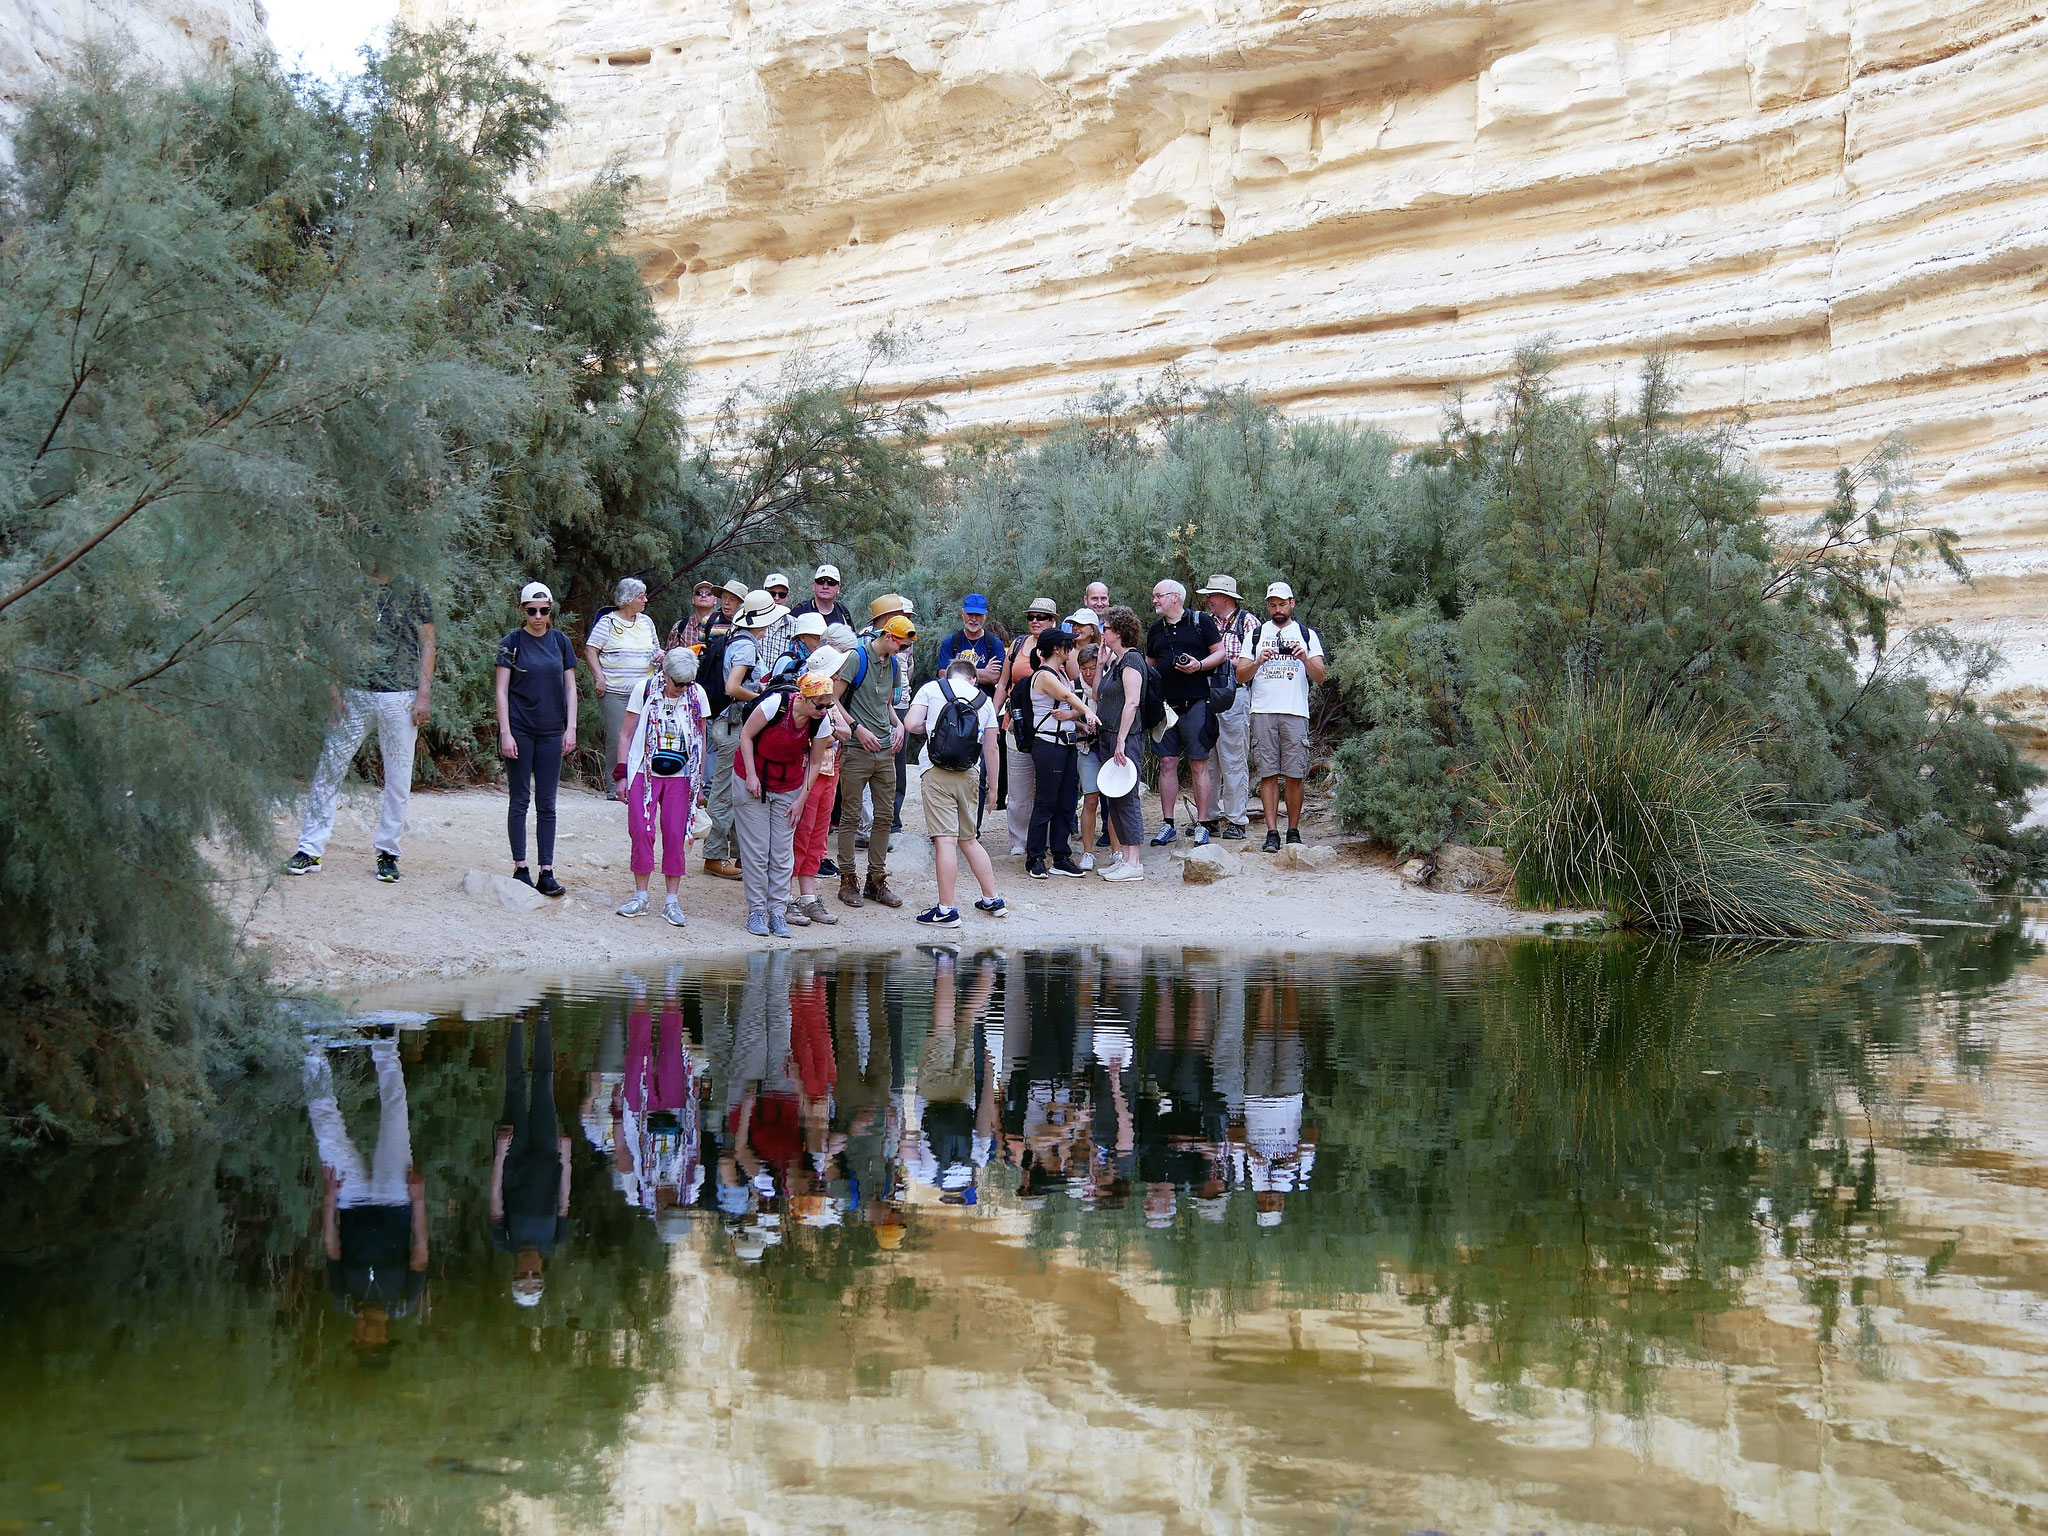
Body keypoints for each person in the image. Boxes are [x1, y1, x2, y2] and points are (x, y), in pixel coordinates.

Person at [288, 568, 435, 882]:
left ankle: (388, 853)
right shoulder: (351, 590)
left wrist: (423, 694)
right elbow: (335, 643)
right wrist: (332, 689)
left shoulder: (413, 590)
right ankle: (310, 849)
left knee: (397, 778)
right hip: (353, 694)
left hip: (401, 696)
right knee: (330, 768)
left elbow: (427, 644)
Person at [307, 1034, 427, 1354]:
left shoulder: (344, 1298)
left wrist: (329, 1198)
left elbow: (332, 1246)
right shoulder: (404, 1301)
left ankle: (312, 1052)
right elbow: (420, 1250)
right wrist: (418, 1199)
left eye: (356, 1341)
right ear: (384, 1339)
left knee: (325, 1130)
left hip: (351, 1201)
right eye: (367, 1341)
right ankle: (385, 1042)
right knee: (395, 1117)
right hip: (396, 1198)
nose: (359, 1335)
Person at [904, 656, 1009, 925]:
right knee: (969, 839)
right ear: (973, 679)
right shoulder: (983, 700)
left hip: (936, 771)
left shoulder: (931, 688)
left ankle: (946, 909)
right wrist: (994, 786)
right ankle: (992, 899)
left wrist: (931, 729)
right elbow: (991, 747)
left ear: (948, 674)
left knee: (945, 841)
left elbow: (911, 724)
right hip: (969, 773)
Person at [735, 671, 837, 936]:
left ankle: (778, 912)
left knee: (782, 853)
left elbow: (815, 762)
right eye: (819, 704)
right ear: (803, 698)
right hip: (753, 776)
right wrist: (751, 776)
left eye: (828, 705)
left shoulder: (821, 721)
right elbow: (746, 737)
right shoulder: (775, 705)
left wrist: (802, 799)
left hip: (789, 783)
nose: (824, 710)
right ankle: (756, 911)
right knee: (757, 850)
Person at [495, 581, 578, 896]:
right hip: (519, 728)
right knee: (519, 799)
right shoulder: (511, 642)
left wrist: (571, 727)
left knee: (547, 803)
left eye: (544, 610)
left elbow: (570, 686)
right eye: (532, 610)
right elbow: (501, 690)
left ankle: (547, 870)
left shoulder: (560, 642)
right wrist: (505, 731)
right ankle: (520, 867)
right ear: (523, 610)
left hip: (551, 730)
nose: (538, 616)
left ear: (551, 610)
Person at [615, 648, 708, 926]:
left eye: (687, 683)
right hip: (644, 769)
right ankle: (641, 896)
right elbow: (626, 733)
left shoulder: (696, 694)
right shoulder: (644, 689)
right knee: (641, 831)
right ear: (664, 674)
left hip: (681, 775)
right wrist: (621, 774)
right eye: (677, 683)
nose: (682, 688)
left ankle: (671, 901)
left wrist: (699, 783)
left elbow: (701, 741)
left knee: (675, 833)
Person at [703, 589, 787, 881]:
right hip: (732, 724)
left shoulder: (737, 639)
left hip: (728, 722)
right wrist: (759, 698)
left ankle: (738, 855)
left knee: (735, 788)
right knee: (725, 790)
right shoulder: (746, 647)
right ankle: (714, 855)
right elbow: (732, 687)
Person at [491, 1007, 572, 1307]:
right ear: (541, 1274)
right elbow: (563, 1200)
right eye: (533, 1275)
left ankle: (516, 1020)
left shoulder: (504, 1241)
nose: (528, 1269)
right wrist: (567, 1158)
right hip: (548, 1155)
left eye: (522, 1275)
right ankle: (546, 1020)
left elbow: (496, 1201)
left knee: (515, 1087)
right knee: (544, 1084)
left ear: (513, 1274)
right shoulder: (554, 1240)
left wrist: (499, 1155)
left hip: (513, 1156)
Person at [1237, 580, 1327, 851]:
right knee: (1267, 773)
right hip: (1263, 710)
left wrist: (1303, 658)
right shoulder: (1256, 634)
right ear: (1268, 605)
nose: (1277, 609)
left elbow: (1321, 677)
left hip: (1295, 710)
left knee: (1294, 774)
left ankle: (1294, 830)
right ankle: (1272, 832)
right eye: (1272, 605)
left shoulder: (1306, 634)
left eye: (1282, 604)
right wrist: (1258, 661)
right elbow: (1241, 675)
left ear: (1292, 604)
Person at [835, 612, 915, 910]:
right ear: (889, 637)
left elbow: (887, 704)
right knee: (851, 816)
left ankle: (876, 880)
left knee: (884, 816)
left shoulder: (893, 663)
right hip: (857, 748)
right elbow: (832, 698)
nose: (903, 652)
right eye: (902, 645)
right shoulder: (857, 658)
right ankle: (847, 879)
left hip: (884, 749)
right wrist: (856, 728)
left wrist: (898, 725)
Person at [1145, 578, 1225, 847]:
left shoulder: (1201, 622)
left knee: (1198, 764)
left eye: (1158, 596)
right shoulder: (1155, 630)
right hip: (1165, 708)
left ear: (1175, 597)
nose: (1155, 601)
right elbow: (1149, 665)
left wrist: (1199, 665)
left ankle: (1202, 824)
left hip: (1196, 704)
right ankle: (1168, 824)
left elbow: (1220, 654)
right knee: (1167, 764)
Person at [1023, 624, 1096, 880]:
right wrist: (1086, 712)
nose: (1071, 649)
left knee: (1066, 801)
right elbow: (1067, 696)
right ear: (1057, 648)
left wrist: (1076, 716)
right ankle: (1035, 857)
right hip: (1048, 744)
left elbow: (1071, 702)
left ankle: (1061, 856)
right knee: (1046, 801)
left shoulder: (1062, 673)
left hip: (1066, 743)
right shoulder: (1044, 676)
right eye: (1068, 645)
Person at [788, 643, 850, 927]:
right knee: (800, 834)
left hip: (829, 770)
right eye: (836, 670)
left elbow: (844, 732)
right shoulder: (808, 698)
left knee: (817, 836)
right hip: (808, 772)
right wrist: (831, 731)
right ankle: (786, 897)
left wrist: (830, 730)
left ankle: (807, 897)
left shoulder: (826, 701)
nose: (840, 675)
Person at [585, 577, 661, 802]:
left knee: (644, 736)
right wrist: (599, 677)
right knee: (618, 737)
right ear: (628, 600)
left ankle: (640, 783)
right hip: (615, 692)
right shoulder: (608, 623)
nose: (645, 600)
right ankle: (613, 785)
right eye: (641, 597)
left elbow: (656, 648)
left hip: (644, 691)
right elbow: (590, 650)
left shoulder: (646, 622)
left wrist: (659, 655)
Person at [937, 593, 1008, 830]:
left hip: (981, 711)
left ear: (985, 615)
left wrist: (961, 669)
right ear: (963, 614)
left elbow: (996, 676)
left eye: (978, 614)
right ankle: (949, 825)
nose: (974, 618)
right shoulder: (952, 642)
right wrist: (980, 671)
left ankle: (972, 827)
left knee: (978, 772)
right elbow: (942, 675)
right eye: (970, 613)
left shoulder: (993, 643)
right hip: (953, 713)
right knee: (948, 765)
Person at [1198, 574, 1260, 841]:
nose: (1208, 600)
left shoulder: (1249, 623)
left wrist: (1222, 661)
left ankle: (1236, 819)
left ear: (1224, 597)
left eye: (1211, 596)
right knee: (1207, 758)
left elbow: (1254, 663)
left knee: (1233, 758)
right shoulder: (1205, 623)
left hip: (1234, 694)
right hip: (1205, 694)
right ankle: (1209, 817)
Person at [999, 597, 1061, 856]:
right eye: (1031, 617)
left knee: (1046, 784)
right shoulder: (1017, 645)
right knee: (1019, 786)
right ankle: (1018, 840)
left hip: (1048, 724)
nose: (1035, 621)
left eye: (1042, 617)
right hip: (1017, 723)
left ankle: (1043, 837)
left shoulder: (1061, 647)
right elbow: (1003, 684)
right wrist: (992, 718)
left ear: (1053, 620)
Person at [1092, 606, 1149, 880]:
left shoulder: (1132, 661)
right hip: (1109, 736)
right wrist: (1101, 664)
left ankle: (1134, 861)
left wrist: (1122, 741)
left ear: (1118, 631)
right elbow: (1097, 695)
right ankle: (1125, 856)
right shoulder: (1116, 662)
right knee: (1113, 797)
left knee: (1127, 796)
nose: (1102, 632)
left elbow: (1133, 702)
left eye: (1106, 627)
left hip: (1124, 737)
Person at [857, 595, 916, 851]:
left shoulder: (904, 640)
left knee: (895, 768)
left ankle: (889, 822)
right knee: (868, 769)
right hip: (869, 711)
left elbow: (907, 670)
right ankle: (867, 827)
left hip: (896, 707)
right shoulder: (864, 642)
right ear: (885, 618)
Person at [789, 563, 854, 629]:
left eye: (831, 582)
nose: (825, 586)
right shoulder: (801, 610)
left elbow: (852, 638)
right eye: (820, 581)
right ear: (814, 586)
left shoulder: (843, 613)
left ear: (838, 588)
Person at [666, 577, 723, 650]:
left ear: (715, 601)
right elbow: (670, 656)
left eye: (709, 593)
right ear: (693, 600)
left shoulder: (722, 626)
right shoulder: (680, 626)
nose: (703, 595)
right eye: (699, 593)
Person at [756, 573, 795, 675]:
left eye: (782, 594)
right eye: (772, 594)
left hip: (782, 685)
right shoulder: (753, 622)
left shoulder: (796, 625)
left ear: (787, 597)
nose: (777, 598)